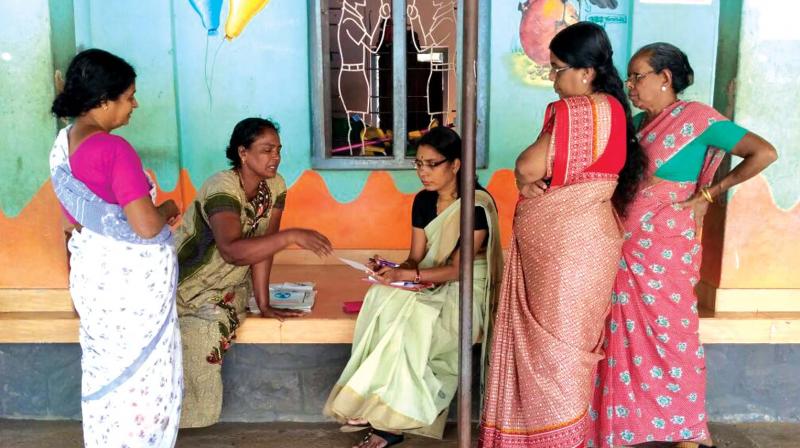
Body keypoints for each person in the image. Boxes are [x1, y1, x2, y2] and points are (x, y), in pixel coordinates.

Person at [587, 43, 778, 448]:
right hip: (625, 250)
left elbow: (763, 153)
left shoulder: (698, 119)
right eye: (630, 77)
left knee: (674, 338)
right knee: (621, 335)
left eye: (638, 75)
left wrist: (710, 194)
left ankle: (683, 428)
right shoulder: (637, 125)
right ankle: (624, 425)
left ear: (665, 78)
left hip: (665, 252)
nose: (631, 85)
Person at [479, 22, 647, 448]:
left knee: (551, 352)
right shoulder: (614, 111)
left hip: (566, 251)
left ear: (586, 71)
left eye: (557, 70)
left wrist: (521, 177)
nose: (553, 81)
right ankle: (564, 438)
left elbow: (530, 167)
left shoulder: (580, 109)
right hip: (591, 246)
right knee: (567, 352)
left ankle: (542, 440)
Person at [323, 126, 504, 448]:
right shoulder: (423, 201)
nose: (423, 172)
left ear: (456, 164)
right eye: (418, 163)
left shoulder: (476, 206)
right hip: (432, 279)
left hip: (466, 288)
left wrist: (412, 277)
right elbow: (416, 258)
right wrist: (390, 270)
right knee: (382, 296)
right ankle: (381, 410)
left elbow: (457, 270)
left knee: (412, 321)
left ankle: (381, 415)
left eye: (431, 164)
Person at [49, 49, 183, 447]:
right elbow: (144, 226)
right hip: (131, 296)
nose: (135, 104)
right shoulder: (114, 149)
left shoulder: (64, 144)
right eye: (129, 96)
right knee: (142, 385)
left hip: (95, 281)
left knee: (107, 377)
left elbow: (74, 222)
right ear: (103, 100)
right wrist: (169, 207)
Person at [174, 117, 332, 428]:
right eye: (266, 150)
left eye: (278, 150)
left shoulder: (275, 186)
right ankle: (166, 421)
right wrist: (291, 236)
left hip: (231, 286)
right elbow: (232, 250)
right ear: (243, 153)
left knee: (228, 315)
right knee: (206, 337)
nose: (276, 157)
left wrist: (263, 301)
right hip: (190, 288)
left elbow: (262, 247)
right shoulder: (222, 187)